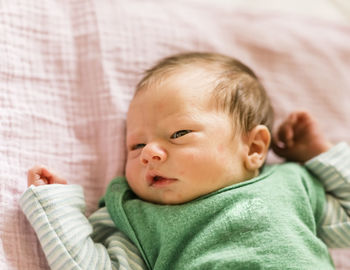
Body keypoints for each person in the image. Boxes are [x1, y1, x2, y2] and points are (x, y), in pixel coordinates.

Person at [20, 52, 350, 270]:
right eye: (136, 145)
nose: (149, 153)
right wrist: (57, 209)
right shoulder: (140, 217)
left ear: (254, 147)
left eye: (178, 134)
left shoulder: (291, 186)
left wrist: (319, 154)